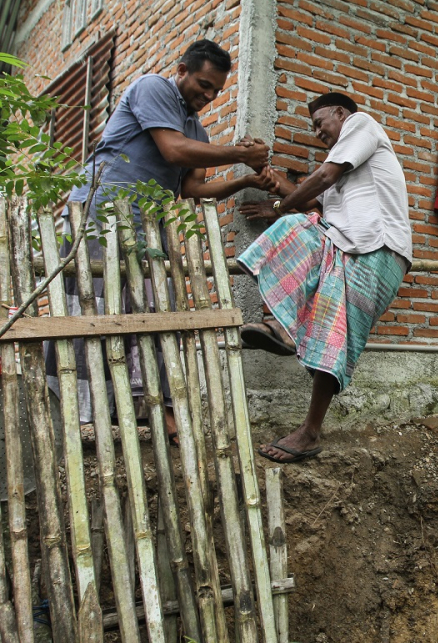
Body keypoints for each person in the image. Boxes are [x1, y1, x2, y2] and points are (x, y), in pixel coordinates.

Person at [46, 39, 275, 441]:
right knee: (94, 304)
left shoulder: (196, 128)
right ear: (182, 69)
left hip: (143, 224)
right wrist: (240, 154)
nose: (208, 95)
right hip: (103, 212)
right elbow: (172, 151)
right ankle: (85, 410)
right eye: (203, 84)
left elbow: (191, 189)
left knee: (147, 309)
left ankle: (140, 405)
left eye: (216, 91)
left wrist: (246, 179)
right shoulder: (152, 87)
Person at [238, 92, 412, 463]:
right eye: (313, 127)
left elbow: (322, 177)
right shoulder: (342, 170)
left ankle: (282, 330)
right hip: (348, 247)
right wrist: (275, 189)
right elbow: (317, 201)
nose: (318, 132)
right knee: (331, 330)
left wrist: (280, 207)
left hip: (379, 250)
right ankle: (309, 430)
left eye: (320, 123)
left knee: (296, 229)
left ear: (341, 113)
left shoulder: (361, 124)